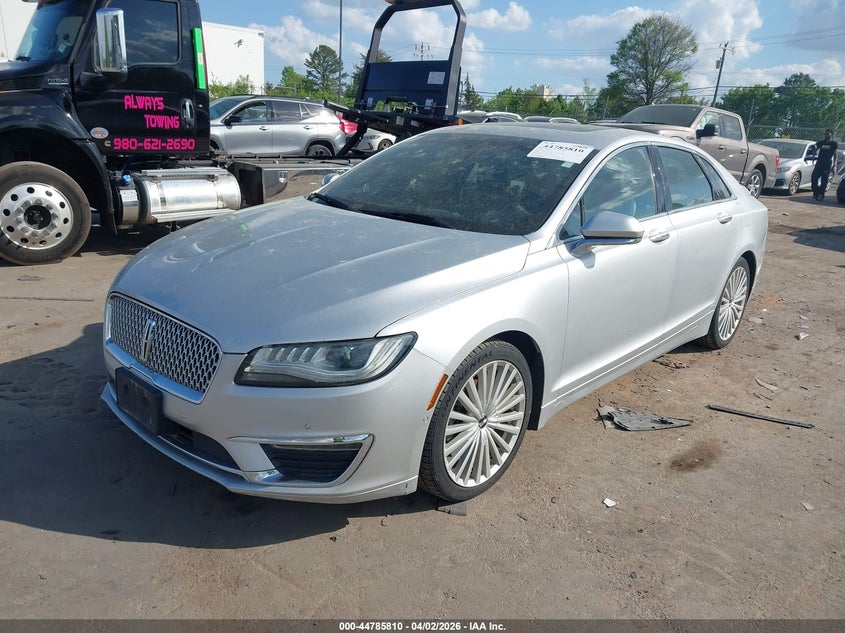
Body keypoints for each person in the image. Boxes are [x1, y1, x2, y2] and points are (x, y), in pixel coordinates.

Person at [811, 129, 838, 201]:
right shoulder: (821, 142)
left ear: (831, 135)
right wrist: (814, 151)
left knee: (824, 180)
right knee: (814, 178)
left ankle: (821, 194)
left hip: (827, 164)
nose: (827, 135)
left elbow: (835, 154)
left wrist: (834, 164)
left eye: (828, 134)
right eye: (826, 134)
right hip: (819, 163)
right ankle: (815, 192)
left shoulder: (834, 144)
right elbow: (815, 149)